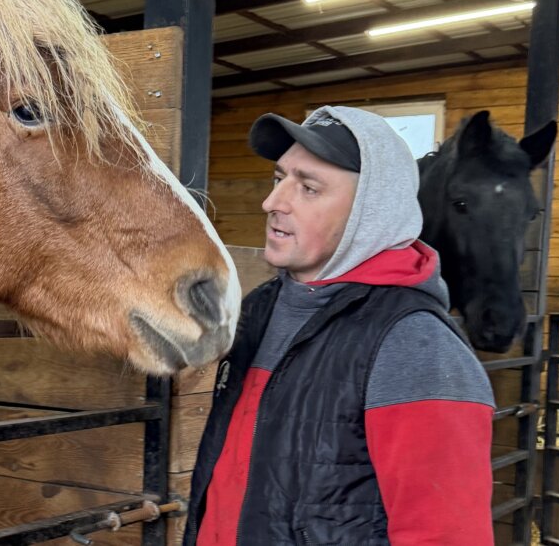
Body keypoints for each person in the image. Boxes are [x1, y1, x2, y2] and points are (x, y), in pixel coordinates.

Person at [183, 106, 495, 545]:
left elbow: (445, 534)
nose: (272, 203)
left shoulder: (415, 345)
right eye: (279, 179)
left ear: (372, 212)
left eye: (308, 188)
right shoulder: (260, 309)